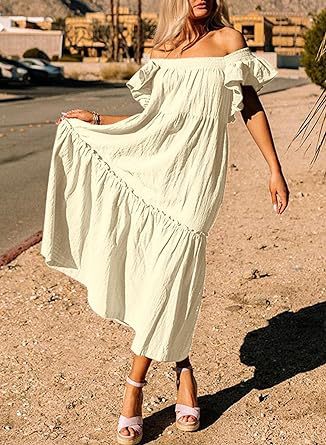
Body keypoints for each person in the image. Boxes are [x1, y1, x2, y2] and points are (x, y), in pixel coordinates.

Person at [42, 0, 290, 443]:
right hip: (157, 169)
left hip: (197, 181)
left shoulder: (229, 41)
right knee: (164, 277)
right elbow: (152, 121)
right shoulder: (161, 51)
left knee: (174, 269)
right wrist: (96, 120)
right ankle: (184, 370)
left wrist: (274, 167)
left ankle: (132, 388)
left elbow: (250, 106)